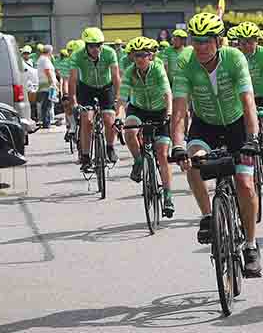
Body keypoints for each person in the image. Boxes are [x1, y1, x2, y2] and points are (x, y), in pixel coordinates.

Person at [171, 13, 263, 277]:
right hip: (205, 124)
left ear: (219, 41)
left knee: (245, 184)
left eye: (206, 41)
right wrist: (178, 145)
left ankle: (250, 245)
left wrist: (253, 139)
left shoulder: (235, 59)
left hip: (237, 125)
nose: (200, 47)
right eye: (196, 41)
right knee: (192, 161)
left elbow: (248, 102)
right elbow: (179, 111)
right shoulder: (185, 62)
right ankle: (208, 216)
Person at [121, 36, 176, 218]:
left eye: (143, 55)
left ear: (150, 56)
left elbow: (168, 93)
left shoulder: (158, 70)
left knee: (161, 153)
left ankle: (168, 195)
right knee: (129, 129)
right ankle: (138, 160)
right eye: (136, 56)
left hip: (159, 110)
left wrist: (168, 114)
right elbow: (122, 95)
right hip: (139, 109)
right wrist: (118, 115)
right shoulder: (130, 71)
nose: (139, 59)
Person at [69, 27, 121, 171]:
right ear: (86, 46)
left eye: (99, 45)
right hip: (87, 88)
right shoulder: (77, 55)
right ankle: (85, 157)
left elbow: (116, 77)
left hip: (106, 87)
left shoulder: (110, 53)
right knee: (87, 121)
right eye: (92, 46)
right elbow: (72, 80)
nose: (96, 49)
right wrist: (73, 100)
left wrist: (118, 99)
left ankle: (110, 147)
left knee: (109, 119)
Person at [233, 21, 263, 170]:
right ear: (238, 42)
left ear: (257, 40)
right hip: (239, 96)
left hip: (261, 94)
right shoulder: (234, 55)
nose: (247, 45)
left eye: (251, 41)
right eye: (243, 42)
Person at [36, 45, 58, 129]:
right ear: (50, 52)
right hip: (47, 86)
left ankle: (46, 121)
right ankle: (46, 122)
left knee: (46, 105)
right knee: (47, 105)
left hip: (44, 85)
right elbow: (47, 71)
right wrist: (52, 83)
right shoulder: (45, 60)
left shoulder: (41, 59)